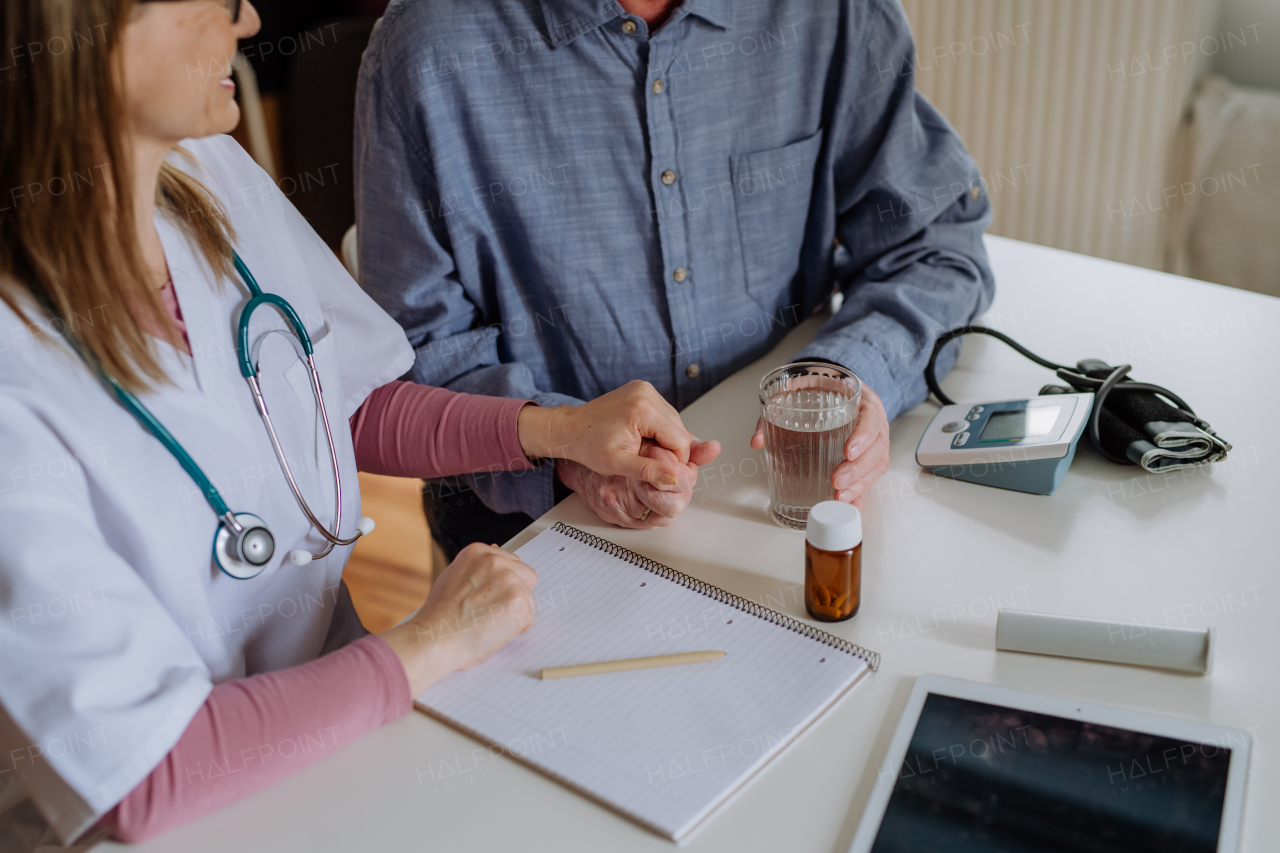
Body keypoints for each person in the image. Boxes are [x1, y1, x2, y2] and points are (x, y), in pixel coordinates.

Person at [0, 0, 712, 844]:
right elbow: (142, 776)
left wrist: (555, 434)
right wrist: (427, 643)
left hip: (340, 726)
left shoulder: (206, 177)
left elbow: (346, 396)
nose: (248, 16)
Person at [355, 0, 996, 557]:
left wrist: (855, 374)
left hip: (773, 502)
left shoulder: (834, 15)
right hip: (534, 524)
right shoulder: (426, 49)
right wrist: (567, 450)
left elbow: (932, 243)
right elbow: (414, 358)